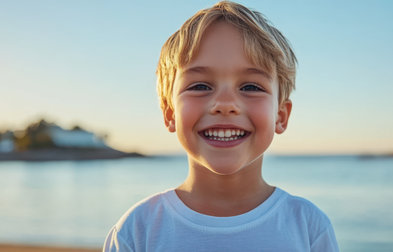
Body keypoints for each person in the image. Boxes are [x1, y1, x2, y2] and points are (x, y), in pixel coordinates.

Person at [103, 1, 339, 251]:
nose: (225, 104)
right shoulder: (138, 230)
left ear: (280, 115)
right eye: (200, 86)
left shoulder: (308, 226)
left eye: (251, 87)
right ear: (170, 113)